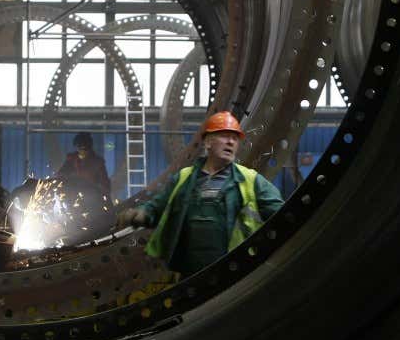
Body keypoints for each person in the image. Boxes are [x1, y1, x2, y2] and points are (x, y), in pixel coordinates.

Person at [115, 110, 283, 276]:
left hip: (235, 273)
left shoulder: (251, 180)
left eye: (235, 138)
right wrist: (140, 214)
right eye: (224, 136)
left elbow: (281, 213)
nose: (231, 142)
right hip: (190, 275)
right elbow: (157, 207)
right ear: (208, 142)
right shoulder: (184, 178)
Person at [52, 132, 112, 200]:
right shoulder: (71, 160)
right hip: (74, 196)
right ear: (77, 147)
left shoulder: (97, 162)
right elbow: (60, 175)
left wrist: (97, 194)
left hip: (91, 198)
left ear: (89, 148)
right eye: (80, 149)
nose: (83, 151)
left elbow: (105, 186)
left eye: (85, 149)